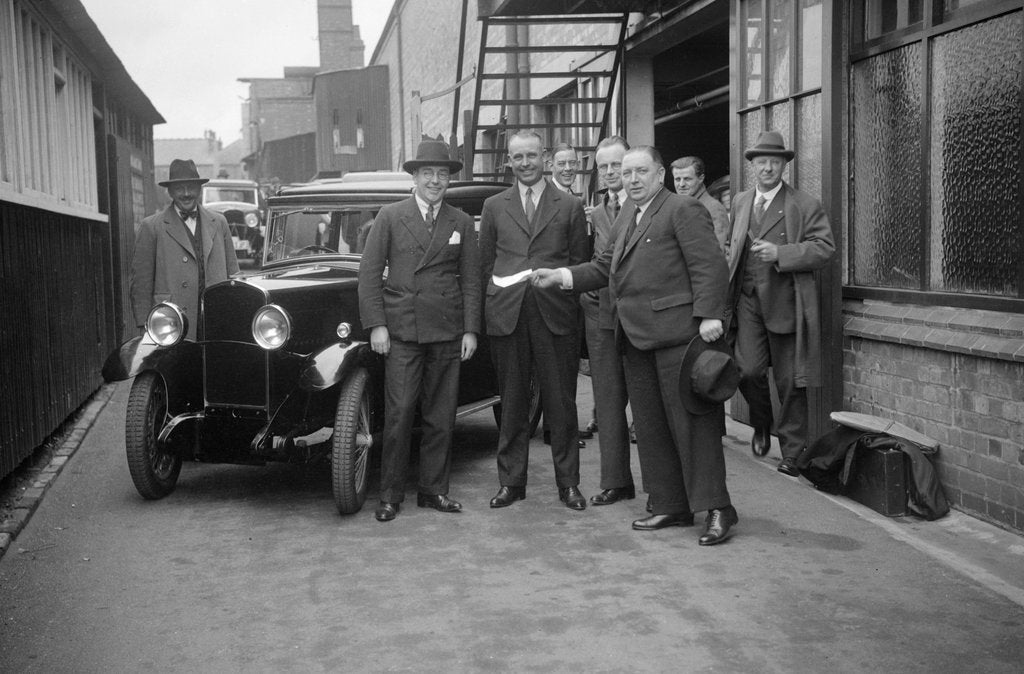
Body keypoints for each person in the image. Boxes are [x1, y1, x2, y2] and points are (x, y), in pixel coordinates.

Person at [533, 146, 739, 546]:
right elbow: (601, 266)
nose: (632, 179)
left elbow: (709, 264)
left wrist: (712, 314)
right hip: (635, 337)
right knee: (652, 427)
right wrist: (560, 275)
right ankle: (670, 504)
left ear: (659, 174)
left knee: (692, 426)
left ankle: (718, 508)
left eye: (641, 172)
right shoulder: (629, 213)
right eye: (626, 174)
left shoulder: (681, 210)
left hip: (679, 337)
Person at [358, 140, 481, 522]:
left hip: (446, 331)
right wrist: (377, 325)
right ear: (414, 177)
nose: (435, 181)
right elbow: (368, 275)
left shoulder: (460, 221)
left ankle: (433, 490)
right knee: (398, 414)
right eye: (427, 173)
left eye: (442, 174)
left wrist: (471, 331)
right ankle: (390, 495)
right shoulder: (391, 216)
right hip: (403, 332)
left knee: (442, 416)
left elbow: (472, 280)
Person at [479, 130, 591, 511]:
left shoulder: (570, 206)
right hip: (507, 316)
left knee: (561, 403)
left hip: (555, 315)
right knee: (511, 403)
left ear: (544, 157)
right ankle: (511, 482)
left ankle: (568, 484)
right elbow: (485, 265)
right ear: (509, 161)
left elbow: (579, 264)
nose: (525, 163)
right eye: (517, 157)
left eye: (531, 155)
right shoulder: (494, 206)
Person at [725, 130, 835, 476]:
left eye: (774, 162)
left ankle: (792, 453)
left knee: (789, 381)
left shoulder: (803, 204)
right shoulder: (741, 202)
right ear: (752, 166)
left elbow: (824, 248)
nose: (767, 168)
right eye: (761, 162)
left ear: (784, 166)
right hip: (747, 301)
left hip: (786, 303)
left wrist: (781, 253)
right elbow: (732, 247)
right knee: (747, 370)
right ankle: (761, 423)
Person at [581, 136, 636, 506]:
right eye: (605, 166)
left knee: (650, 409)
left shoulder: (648, 206)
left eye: (618, 165)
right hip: (602, 319)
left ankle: (663, 489)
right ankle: (616, 482)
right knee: (609, 402)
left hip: (640, 320)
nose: (612, 172)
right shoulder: (593, 214)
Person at [130, 158, 239, 335]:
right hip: (170, 323)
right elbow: (141, 284)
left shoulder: (219, 222)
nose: (186, 194)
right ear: (170, 192)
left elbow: (234, 274)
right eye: (180, 188)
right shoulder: (151, 226)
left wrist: (235, 314)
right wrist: (145, 325)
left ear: (200, 189)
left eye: (191, 188)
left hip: (215, 319)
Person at [671, 156, 731, 256]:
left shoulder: (713, 209)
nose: (681, 184)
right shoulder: (675, 207)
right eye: (677, 179)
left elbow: (716, 253)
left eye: (687, 179)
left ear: (701, 178)